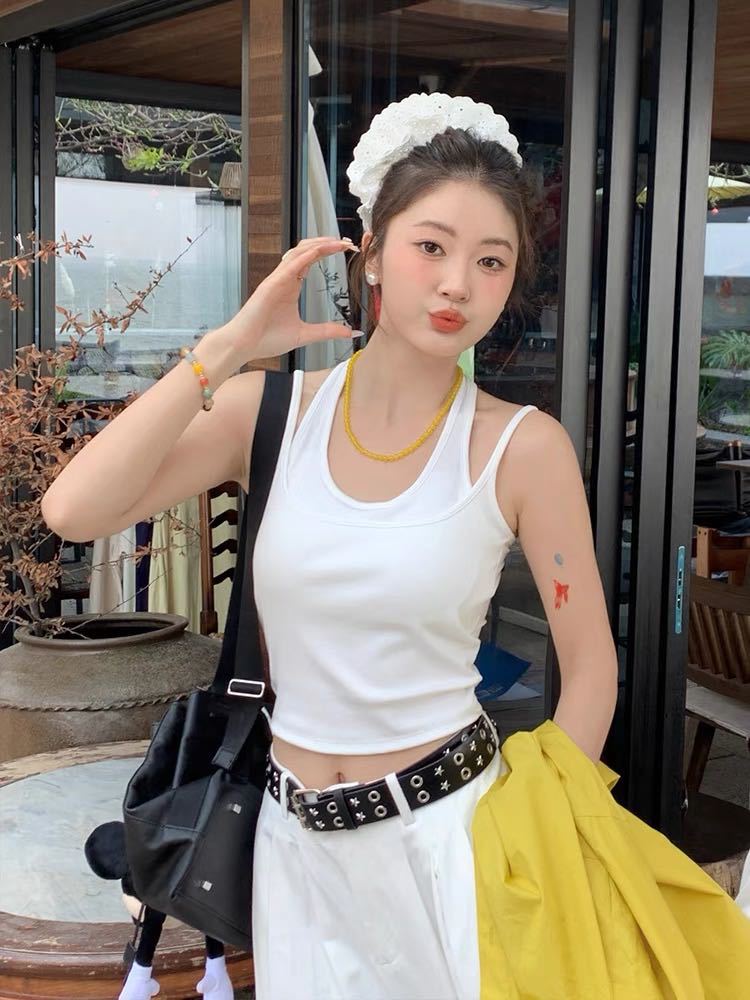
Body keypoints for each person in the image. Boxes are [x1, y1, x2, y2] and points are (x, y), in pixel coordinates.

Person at [41, 92, 618, 999]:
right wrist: (231, 344)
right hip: (293, 850)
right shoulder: (269, 414)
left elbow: (589, 666)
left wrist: (533, 831)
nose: (458, 284)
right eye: (432, 246)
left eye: (491, 260)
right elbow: (74, 511)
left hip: (453, 840)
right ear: (373, 252)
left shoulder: (521, 446)